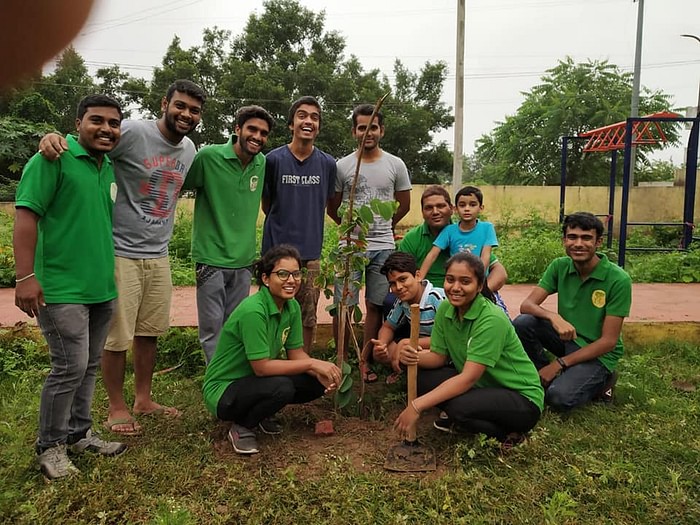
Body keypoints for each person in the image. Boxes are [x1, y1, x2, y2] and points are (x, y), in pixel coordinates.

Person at [39, 79, 207, 435]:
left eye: (194, 110)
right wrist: (54, 138)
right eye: (180, 106)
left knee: (149, 332)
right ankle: (116, 406)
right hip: (119, 251)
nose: (186, 114)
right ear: (165, 103)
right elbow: (90, 142)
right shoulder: (131, 132)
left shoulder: (190, 149)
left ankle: (143, 399)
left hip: (158, 253)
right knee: (116, 337)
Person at [14, 94, 127, 479]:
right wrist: (25, 276)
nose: (106, 129)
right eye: (97, 120)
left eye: (114, 123)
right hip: (60, 288)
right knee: (69, 366)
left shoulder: (107, 166)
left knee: (90, 365)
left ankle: (80, 433)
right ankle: (51, 447)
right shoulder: (52, 159)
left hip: (100, 287)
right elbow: (26, 213)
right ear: (78, 123)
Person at [202, 245, 342, 455]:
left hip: (255, 383)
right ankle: (242, 426)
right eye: (282, 274)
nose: (291, 280)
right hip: (224, 391)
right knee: (282, 387)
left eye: (296, 274)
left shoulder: (291, 306)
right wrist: (313, 363)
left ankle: (261, 414)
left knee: (314, 382)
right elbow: (262, 368)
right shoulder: (253, 311)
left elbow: (296, 354)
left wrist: (318, 372)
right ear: (266, 279)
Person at [394, 253, 544, 447]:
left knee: (458, 408)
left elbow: (468, 378)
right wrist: (411, 356)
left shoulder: (491, 319)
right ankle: (472, 412)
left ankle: (508, 434)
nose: (455, 288)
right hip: (483, 385)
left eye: (465, 281)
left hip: (520, 398)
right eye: (450, 280)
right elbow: (438, 357)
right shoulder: (446, 309)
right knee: (420, 376)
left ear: (480, 285)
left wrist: (416, 406)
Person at [513, 212, 632, 411]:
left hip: (598, 353)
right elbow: (527, 305)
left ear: (598, 242)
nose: (578, 244)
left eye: (586, 238)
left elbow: (608, 341)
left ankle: (605, 382)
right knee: (523, 322)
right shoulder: (560, 266)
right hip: (569, 339)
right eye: (572, 237)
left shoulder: (618, 279)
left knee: (558, 398)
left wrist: (559, 363)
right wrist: (553, 316)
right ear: (564, 240)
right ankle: (541, 373)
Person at [183, 105, 274, 364]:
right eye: (252, 129)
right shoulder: (208, 157)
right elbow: (179, 185)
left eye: (263, 133)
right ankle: (216, 381)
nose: (257, 136)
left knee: (234, 325)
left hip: (244, 261)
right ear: (237, 130)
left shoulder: (262, 162)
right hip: (211, 258)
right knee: (212, 329)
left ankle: (232, 374)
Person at [328, 104, 412, 382]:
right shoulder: (343, 166)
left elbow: (404, 203)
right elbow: (334, 206)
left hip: (383, 247)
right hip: (350, 247)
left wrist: (385, 225)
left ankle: (363, 361)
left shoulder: (395, 164)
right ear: (354, 131)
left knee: (376, 304)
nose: (368, 133)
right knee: (344, 304)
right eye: (362, 127)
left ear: (381, 130)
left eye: (373, 127)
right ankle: (341, 360)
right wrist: (346, 229)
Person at [261, 96, 337, 352]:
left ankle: (302, 366)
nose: (308, 121)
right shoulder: (272, 160)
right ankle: (270, 363)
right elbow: (266, 203)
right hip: (276, 253)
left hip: (310, 255)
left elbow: (328, 202)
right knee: (272, 312)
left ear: (319, 126)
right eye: (302, 115)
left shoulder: (328, 164)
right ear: (291, 124)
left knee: (307, 317)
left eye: (314, 117)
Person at [399, 185, 509, 314]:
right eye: (429, 208)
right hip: (430, 295)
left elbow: (496, 269)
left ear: (451, 209)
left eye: (440, 206)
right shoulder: (414, 239)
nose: (435, 212)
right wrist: (419, 283)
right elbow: (403, 275)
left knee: (497, 316)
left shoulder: (475, 233)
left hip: (470, 290)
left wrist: (477, 290)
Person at [370, 252, 446, 384]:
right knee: (381, 354)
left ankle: (412, 370)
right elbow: (388, 326)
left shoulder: (437, 298)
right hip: (420, 344)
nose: (398, 287)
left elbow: (448, 339)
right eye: (392, 283)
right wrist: (381, 343)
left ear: (417, 276)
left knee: (407, 355)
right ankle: (406, 367)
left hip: (441, 347)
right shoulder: (402, 301)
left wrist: (407, 343)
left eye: (403, 279)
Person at [418, 186, 498, 285]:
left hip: (479, 282)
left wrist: (478, 280)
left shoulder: (487, 228)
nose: (467, 209)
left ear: (481, 208)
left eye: (472, 205)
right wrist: (419, 278)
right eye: (462, 205)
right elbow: (432, 254)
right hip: (456, 282)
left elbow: (486, 256)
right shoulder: (449, 230)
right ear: (455, 209)